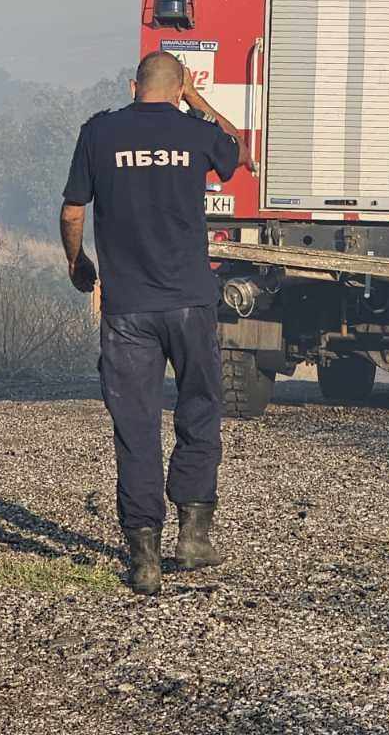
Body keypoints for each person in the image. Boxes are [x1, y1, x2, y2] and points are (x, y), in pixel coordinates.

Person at [59, 51, 248, 595]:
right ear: (178, 86)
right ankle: (194, 537)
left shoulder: (98, 133)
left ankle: (145, 558)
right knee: (200, 409)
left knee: (136, 426)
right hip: (190, 303)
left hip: (128, 311)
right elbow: (240, 147)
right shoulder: (194, 132)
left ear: (132, 85)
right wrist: (196, 99)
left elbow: (73, 212)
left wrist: (78, 263)